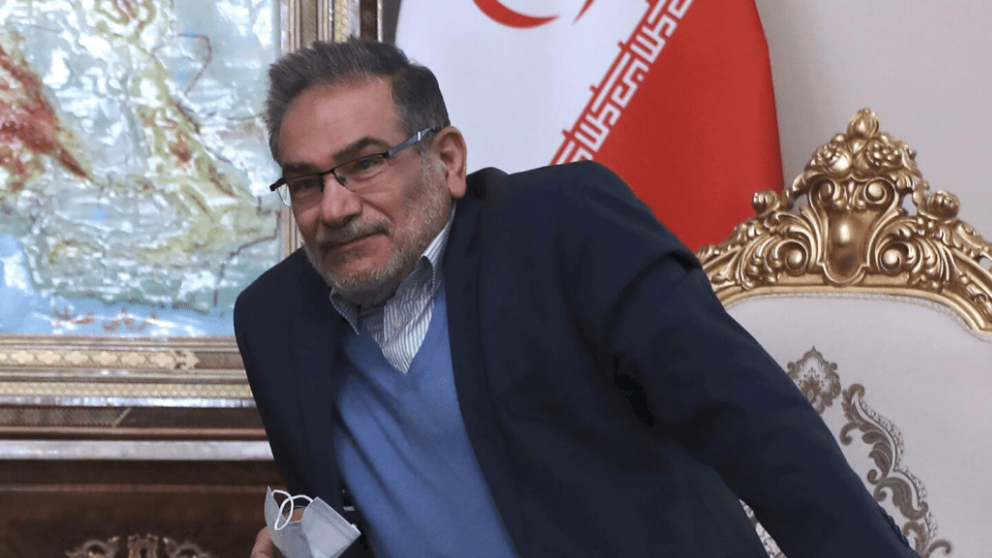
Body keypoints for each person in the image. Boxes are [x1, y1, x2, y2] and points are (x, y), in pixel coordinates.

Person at [234, 38, 918, 558]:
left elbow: (756, 425)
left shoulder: (563, 229)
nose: (334, 207)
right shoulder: (274, 320)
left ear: (447, 160)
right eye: (305, 183)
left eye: (364, 164)